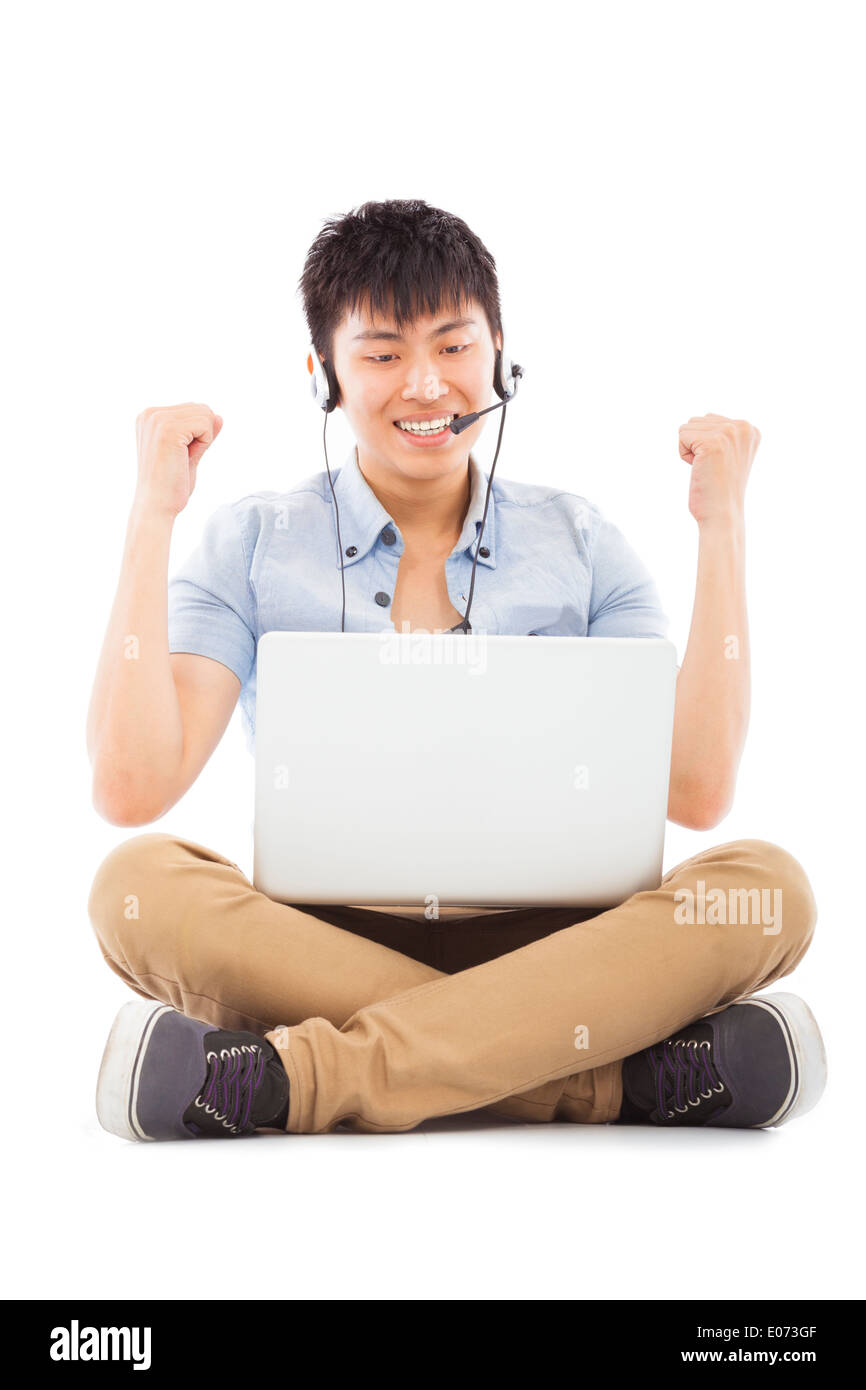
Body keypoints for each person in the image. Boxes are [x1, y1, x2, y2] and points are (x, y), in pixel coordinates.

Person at [86, 198, 825, 1142]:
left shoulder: (582, 541)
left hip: (560, 941)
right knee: (134, 884)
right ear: (324, 379)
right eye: (384, 354)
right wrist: (153, 515)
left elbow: (697, 790)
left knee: (770, 888)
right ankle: (604, 1078)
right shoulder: (255, 544)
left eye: (453, 346)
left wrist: (722, 531)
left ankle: (291, 1080)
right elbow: (130, 783)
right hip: (322, 940)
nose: (426, 386)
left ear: (501, 356)